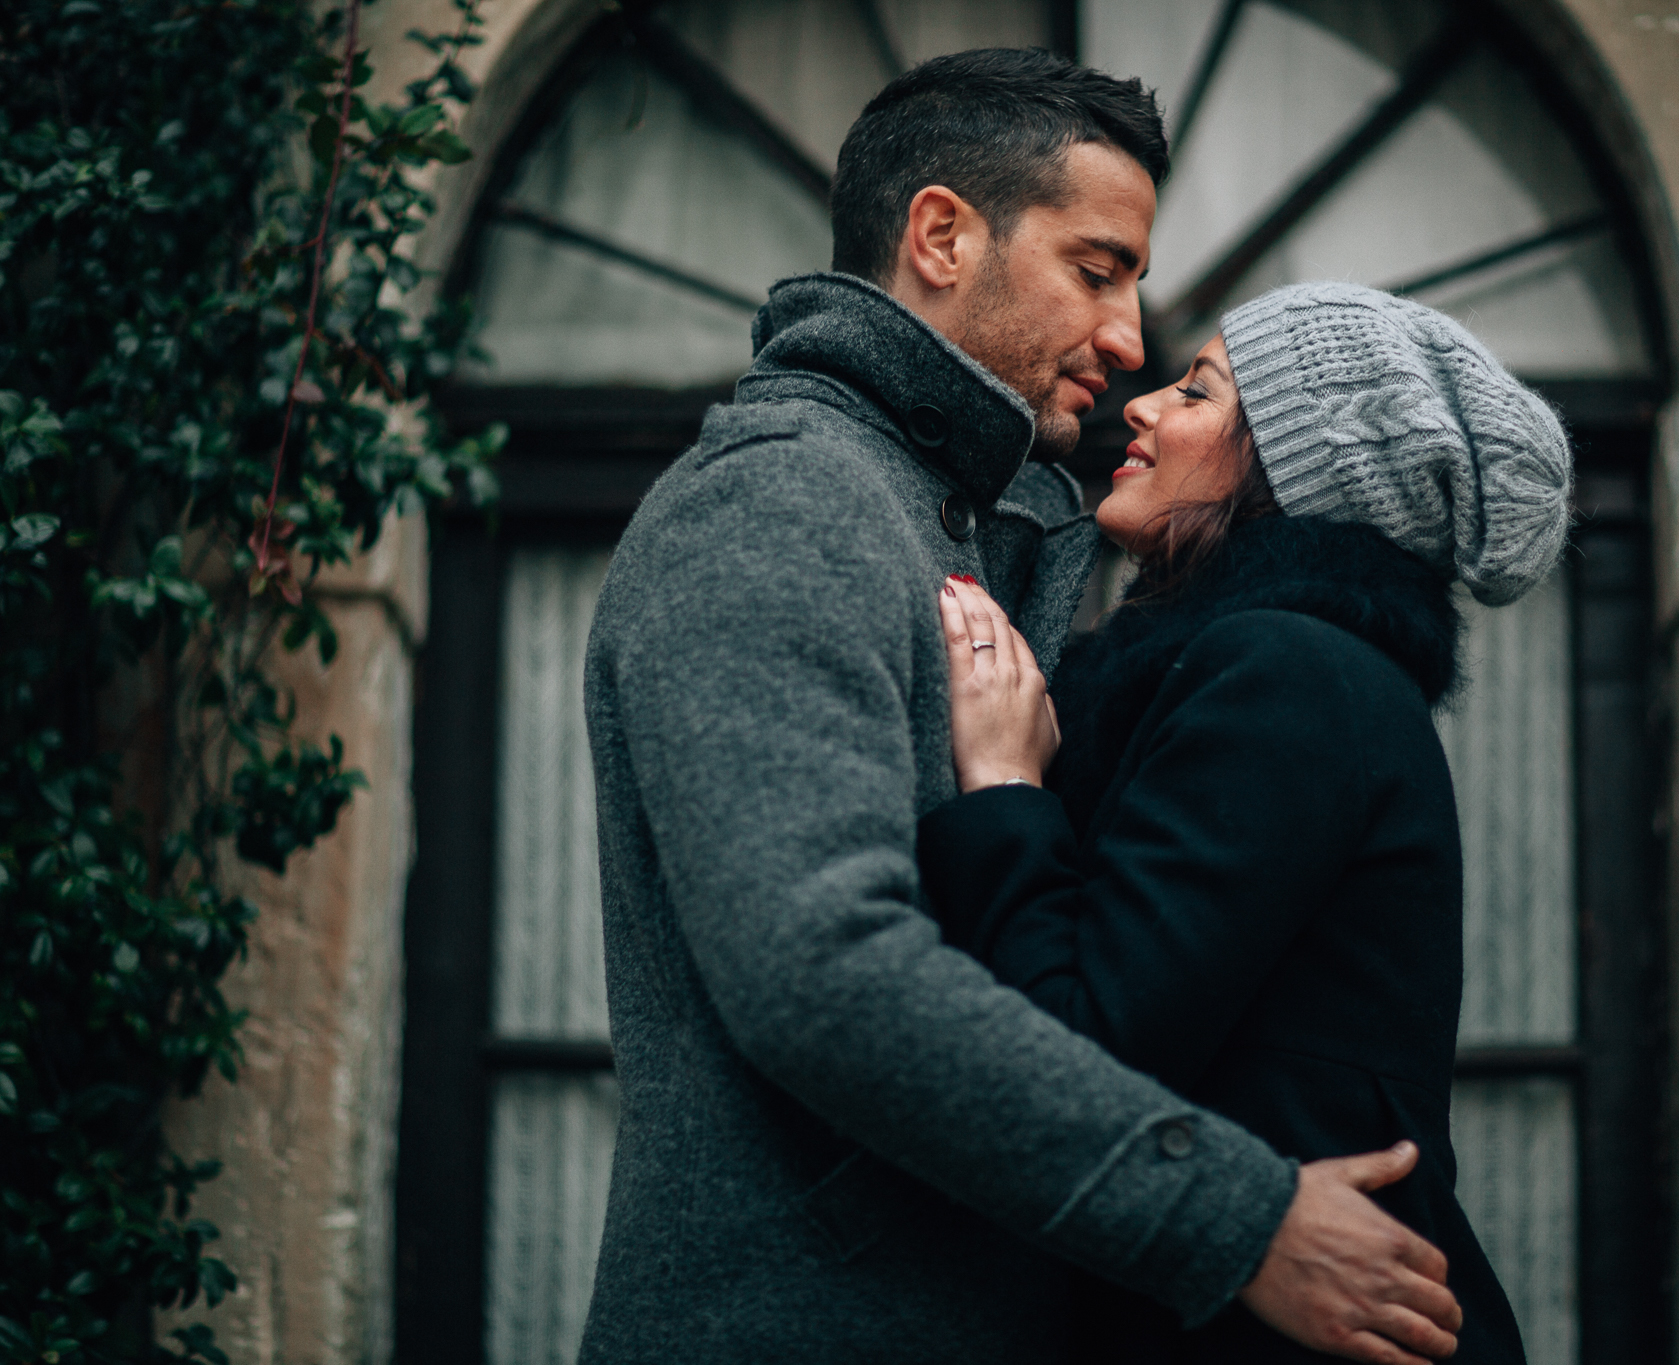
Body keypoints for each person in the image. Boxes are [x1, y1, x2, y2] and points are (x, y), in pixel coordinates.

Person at [578, 52, 1464, 1365]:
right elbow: (828, 973)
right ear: (942, 235)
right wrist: (1231, 1216)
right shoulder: (777, 505)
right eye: (1097, 268)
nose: (1128, 337)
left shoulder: (985, 528)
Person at [918, 280, 1573, 1363]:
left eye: (1199, 391)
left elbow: (1080, 1050)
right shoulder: (1267, 669)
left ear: (1290, 473)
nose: (1142, 405)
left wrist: (1000, 786)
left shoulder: (1283, 675)